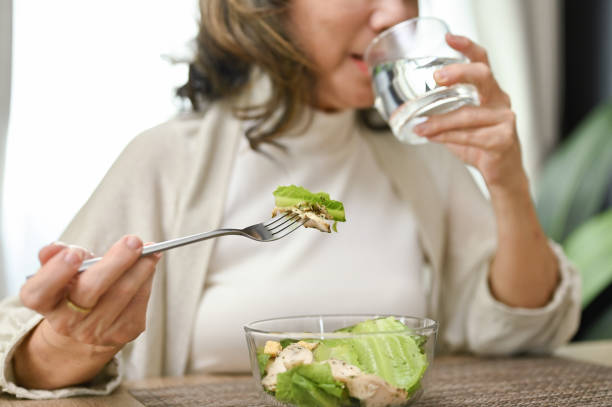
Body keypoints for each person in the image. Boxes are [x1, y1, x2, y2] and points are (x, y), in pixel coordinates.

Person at [0, 0, 580, 399]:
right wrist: (64, 348)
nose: (397, 15)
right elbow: (23, 354)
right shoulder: (168, 159)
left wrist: (507, 180)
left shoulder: (421, 159)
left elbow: (517, 333)